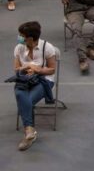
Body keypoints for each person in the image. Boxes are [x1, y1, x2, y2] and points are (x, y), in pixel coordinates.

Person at [11, 21, 57, 151]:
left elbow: (52, 70)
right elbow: (16, 69)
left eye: (21, 35)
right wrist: (26, 68)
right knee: (20, 93)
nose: (19, 37)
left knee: (27, 101)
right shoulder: (19, 48)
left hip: (44, 80)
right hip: (25, 80)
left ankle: (28, 133)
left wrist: (37, 69)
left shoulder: (47, 47)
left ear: (30, 38)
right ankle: (30, 131)